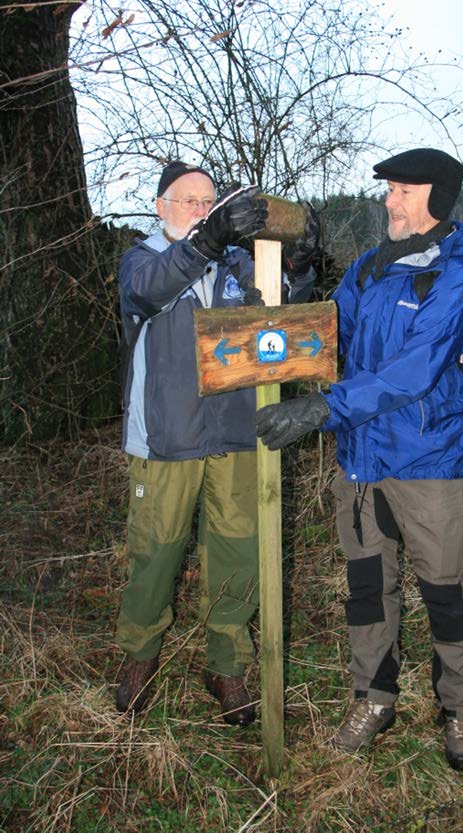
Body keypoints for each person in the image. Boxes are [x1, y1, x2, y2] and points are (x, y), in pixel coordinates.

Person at [256, 148, 463, 769]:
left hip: (428, 462)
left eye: (403, 191)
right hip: (361, 462)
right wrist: (303, 279)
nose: (389, 200)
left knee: (444, 592)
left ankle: (462, 708)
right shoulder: (369, 267)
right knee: (367, 590)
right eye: (389, 189)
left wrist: (320, 410)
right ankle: (374, 696)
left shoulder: (455, 276)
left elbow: (413, 372)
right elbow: (327, 330)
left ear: (436, 199)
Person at [115, 161, 317, 724]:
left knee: (236, 551)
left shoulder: (236, 266)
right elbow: (148, 292)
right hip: (165, 439)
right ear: (161, 207)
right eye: (189, 201)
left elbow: (282, 311)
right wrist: (206, 240)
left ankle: (226, 663)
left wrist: (301, 264)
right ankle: (139, 655)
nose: (202, 210)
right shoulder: (143, 260)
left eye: (210, 202)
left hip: (234, 435)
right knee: (155, 553)